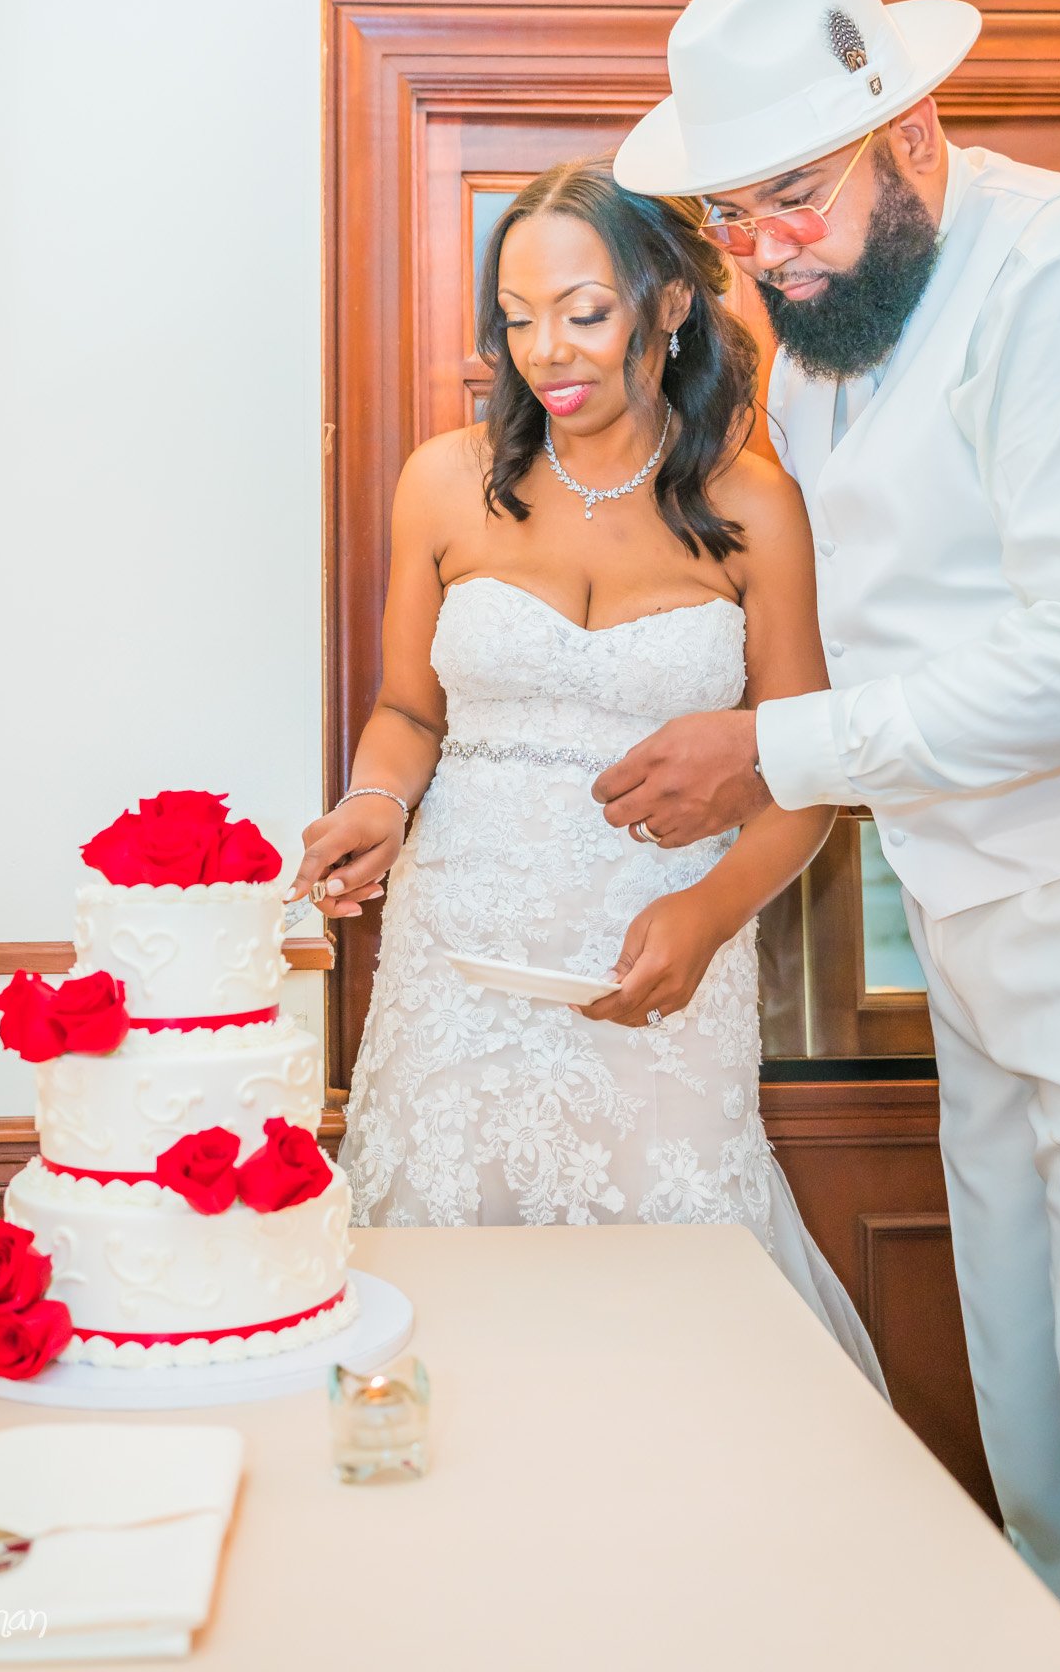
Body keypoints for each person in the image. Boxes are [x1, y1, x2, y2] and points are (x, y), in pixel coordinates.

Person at [606, 0, 1060, 1667]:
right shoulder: (838, 314)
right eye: (732, 221)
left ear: (908, 128)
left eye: (792, 200)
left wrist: (774, 748)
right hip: (969, 918)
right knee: (1027, 1384)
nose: (765, 253)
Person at [291, 158, 883, 1383]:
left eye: (583, 310)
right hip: (456, 966)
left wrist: (708, 915)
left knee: (669, 1327)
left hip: (662, 973)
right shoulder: (443, 481)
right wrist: (372, 801)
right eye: (515, 319)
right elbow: (409, 706)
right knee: (444, 1302)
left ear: (668, 302)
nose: (546, 351)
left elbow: (805, 772)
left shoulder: (757, 505)